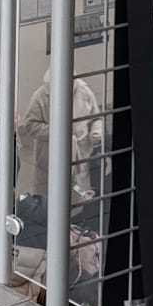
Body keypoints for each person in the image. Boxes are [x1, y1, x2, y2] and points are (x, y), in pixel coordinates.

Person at [18, 65, 103, 203]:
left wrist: (96, 132)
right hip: (50, 155)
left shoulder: (84, 91)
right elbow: (30, 125)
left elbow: (96, 118)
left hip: (80, 154)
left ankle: (76, 210)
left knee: (78, 195)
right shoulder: (40, 96)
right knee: (49, 197)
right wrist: (57, 132)